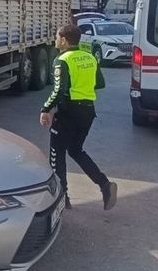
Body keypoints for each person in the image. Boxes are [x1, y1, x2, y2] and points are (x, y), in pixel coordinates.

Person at [40, 24, 117, 211]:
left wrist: (45, 109)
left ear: (64, 40)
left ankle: (62, 197)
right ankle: (104, 185)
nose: (55, 40)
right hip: (88, 112)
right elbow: (100, 83)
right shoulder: (89, 57)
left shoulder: (62, 60)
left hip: (68, 113)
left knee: (57, 155)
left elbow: (59, 90)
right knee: (76, 150)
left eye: (57, 36)